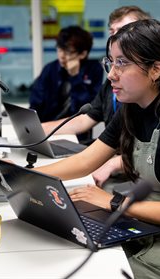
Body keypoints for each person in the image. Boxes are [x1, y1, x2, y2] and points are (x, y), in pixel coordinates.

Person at [36, 19, 160, 278]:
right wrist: (20, 176)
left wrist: (113, 202)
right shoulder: (133, 107)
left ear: (155, 69)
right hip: (151, 230)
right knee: (71, 253)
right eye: (110, 62)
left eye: (122, 63)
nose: (111, 74)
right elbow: (86, 160)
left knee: (98, 272)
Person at [41, 6, 150, 186]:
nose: (115, 38)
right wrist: (39, 131)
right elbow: (86, 120)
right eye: (112, 32)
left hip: (135, 178)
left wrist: (114, 163)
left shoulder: (151, 97)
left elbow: (153, 155)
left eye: (123, 31)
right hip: (112, 163)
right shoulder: (113, 84)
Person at [29, 25, 103, 125]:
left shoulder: (93, 69)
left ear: (83, 54)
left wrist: (75, 76)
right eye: (59, 49)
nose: (62, 56)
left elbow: (88, 110)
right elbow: (35, 103)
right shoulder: (50, 69)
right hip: (46, 127)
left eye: (68, 52)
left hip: (78, 131)